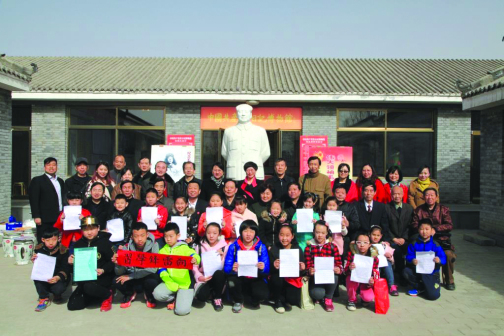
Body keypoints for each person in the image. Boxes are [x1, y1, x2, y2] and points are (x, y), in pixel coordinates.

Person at [67, 216, 115, 312]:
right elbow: (74, 268)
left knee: (89, 287)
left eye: (92, 229)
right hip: (85, 280)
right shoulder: (78, 244)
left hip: (102, 278)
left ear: (98, 228)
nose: (89, 232)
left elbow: (112, 262)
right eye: (86, 229)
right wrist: (71, 262)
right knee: (73, 305)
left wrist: (103, 270)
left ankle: (108, 294)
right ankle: (96, 296)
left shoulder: (105, 242)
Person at [412, 188, 455, 290]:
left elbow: (449, 225)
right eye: (427, 195)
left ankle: (449, 280)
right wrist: (425, 230)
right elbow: (414, 224)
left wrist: (435, 229)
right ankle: (422, 280)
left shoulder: (444, 209)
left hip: (441, 240)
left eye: (432, 195)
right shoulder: (419, 210)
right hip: (424, 240)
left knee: (448, 255)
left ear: (436, 197)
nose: (429, 197)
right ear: (423, 197)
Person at [152, 223, 200, 316]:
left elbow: (193, 254)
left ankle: (184, 296)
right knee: (157, 294)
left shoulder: (184, 247)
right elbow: (162, 270)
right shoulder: (162, 251)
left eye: (171, 236)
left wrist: (195, 259)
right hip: (170, 283)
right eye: (166, 236)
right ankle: (175, 297)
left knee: (181, 311)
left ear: (178, 236)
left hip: (184, 284)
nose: (168, 239)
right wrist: (171, 283)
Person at [224, 220, 270, 313]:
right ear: (240, 232)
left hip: (255, 277)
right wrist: (232, 268)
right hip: (239, 277)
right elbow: (226, 268)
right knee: (232, 281)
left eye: (251, 231)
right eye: (245, 231)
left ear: (255, 233)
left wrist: (262, 268)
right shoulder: (233, 247)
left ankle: (253, 299)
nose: (248, 234)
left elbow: (267, 269)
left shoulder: (261, 247)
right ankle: (238, 301)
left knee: (261, 294)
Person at [112, 222, 161, 309]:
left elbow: (154, 269)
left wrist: (131, 276)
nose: (139, 239)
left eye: (142, 235)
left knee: (153, 280)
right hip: (133, 279)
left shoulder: (154, 246)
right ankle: (130, 293)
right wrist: (118, 264)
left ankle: (149, 294)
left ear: (147, 235)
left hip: (145, 276)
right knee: (116, 280)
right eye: (136, 236)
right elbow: (119, 272)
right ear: (131, 237)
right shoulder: (126, 248)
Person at [221, 103, 270, 180]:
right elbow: (224, 152)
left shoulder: (260, 131)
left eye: (246, 112)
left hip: (255, 175)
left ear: (251, 115)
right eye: (240, 112)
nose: (243, 114)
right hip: (235, 173)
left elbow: (266, 153)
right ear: (236, 114)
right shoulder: (228, 131)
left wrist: (254, 163)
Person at [305, 221, 343, 312]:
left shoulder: (333, 246)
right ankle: (321, 296)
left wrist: (339, 269)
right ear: (314, 232)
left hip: (329, 277)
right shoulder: (309, 247)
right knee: (317, 294)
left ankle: (328, 298)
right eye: (317, 232)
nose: (320, 235)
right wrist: (309, 271)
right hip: (316, 278)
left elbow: (339, 264)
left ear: (327, 233)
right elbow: (307, 265)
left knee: (335, 276)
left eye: (323, 233)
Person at [404, 219, 446, 300]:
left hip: (431, 272)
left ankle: (426, 288)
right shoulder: (414, 243)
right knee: (406, 272)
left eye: (427, 229)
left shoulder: (435, 244)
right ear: (418, 230)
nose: (424, 232)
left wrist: (439, 260)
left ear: (431, 231)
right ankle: (419, 287)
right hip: (418, 270)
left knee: (433, 296)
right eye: (422, 229)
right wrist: (412, 260)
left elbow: (443, 258)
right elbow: (408, 256)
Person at [31, 227, 71, 312]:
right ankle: (43, 298)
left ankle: (57, 294)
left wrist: (58, 277)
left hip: (58, 276)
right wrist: (34, 260)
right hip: (44, 275)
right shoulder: (39, 249)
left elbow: (66, 268)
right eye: (48, 240)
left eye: (53, 240)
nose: (51, 243)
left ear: (58, 239)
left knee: (58, 289)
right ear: (43, 240)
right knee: (37, 278)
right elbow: (38, 266)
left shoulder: (63, 250)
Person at [193, 222, 229, 311]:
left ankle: (217, 298)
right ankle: (210, 293)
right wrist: (199, 277)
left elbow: (227, 267)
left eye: (214, 233)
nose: (211, 236)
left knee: (219, 274)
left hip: (218, 278)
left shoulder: (225, 247)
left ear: (219, 234)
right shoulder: (199, 247)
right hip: (205, 277)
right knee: (201, 297)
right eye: (208, 233)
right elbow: (195, 266)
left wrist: (221, 259)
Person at [269, 225, 305, 313]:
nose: (284, 238)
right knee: (276, 278)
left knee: (293, 300)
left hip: (292, 279)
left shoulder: (297, 249)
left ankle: (283, 299)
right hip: (278, 278)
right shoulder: (274, 248)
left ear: (292, 236)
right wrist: (274, 265)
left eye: (287, 235)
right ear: (278, 236)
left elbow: (302, 269)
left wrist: (302, 268)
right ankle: (278, 301)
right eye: (282, 235)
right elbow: (268, 269)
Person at [29, 157, 66, 243]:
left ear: (57, 167)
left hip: (59, 216)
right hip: (44, 217)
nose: (51, 167)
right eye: (48, 165)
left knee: (57, 239)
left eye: (54, 165)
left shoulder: (60, 181)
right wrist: (36, 216)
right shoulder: (37, 180)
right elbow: (33, 199)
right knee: (44, 239)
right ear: (44, 167)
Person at [344, 233, 380, 311]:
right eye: (359, 242)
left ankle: (363, 298)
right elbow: (344, 270)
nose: (362, 245)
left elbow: (376, 273)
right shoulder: (350, 254)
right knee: (350, 279)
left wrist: (372, 280)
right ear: (355, 243)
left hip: (366, 282)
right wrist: (349, 268)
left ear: (370, 244)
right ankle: (351, 300)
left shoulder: (374, 257)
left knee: (368, 298)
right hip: (353, 280)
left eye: (365, 242)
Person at [385, 185, 413, 278]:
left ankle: (409, 274)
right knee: (396, 251)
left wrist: (404, 238)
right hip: (392, 239)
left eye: (399, 194)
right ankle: (401, 275)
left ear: (403, 194)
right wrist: (393, 238)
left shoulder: (409, 208)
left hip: (405, 238)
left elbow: (410, 225)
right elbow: (385, 226)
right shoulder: (386, 208)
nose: (397, 196)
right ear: (391, 195)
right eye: (394, 194)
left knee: (411, 249)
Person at [369, 226, 398, 296]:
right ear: (369, 235)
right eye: (374, 235)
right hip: (373, 266)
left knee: (387, 263)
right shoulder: (367, 244)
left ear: (381, 236)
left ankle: (391, 285)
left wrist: (389, 256)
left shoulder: (384, 245)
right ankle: (376, 285)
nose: (375, 237)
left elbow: (391, 254)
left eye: (378, 235)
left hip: (383, 264)